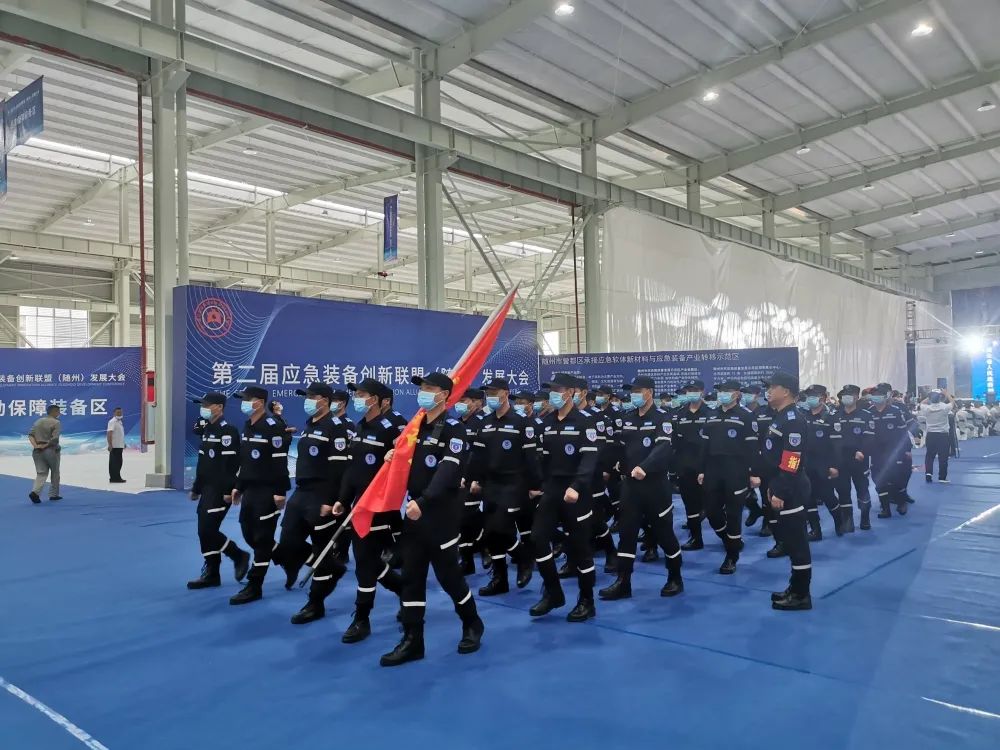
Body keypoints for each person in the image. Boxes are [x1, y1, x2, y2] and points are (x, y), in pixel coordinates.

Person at [380, 371, 484, 667]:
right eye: (422, 387)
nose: (423, 392)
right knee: (411, 577)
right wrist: (393, 457)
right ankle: (413, 639)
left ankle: (472, 623)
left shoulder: (454, 429)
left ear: (444, 395)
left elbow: (447, 472)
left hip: (440, 514)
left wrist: (424, 502)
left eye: (429, 387)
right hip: (414, 513)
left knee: (449, 577)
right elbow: (407, 465)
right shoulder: (415, 428)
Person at [599, 376, 683, 600]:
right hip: (631, 487)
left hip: (655, 486)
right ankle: (623, 581)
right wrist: (611, 465)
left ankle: (675, 576)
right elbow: (619, 447)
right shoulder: (627, 418)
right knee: (626, 534)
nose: (634, 394)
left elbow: (663, 447)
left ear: (650, 392)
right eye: (632, 390)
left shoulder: (663, 418)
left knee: (664, 533)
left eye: (638, 390)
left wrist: (644, 467)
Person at [530, 373, 601, 621]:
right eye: (551, 390)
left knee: (580, 548)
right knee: (538, 538)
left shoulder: (585, 422)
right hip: (552, 489)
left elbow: (589, 457)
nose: (553, 394)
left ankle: (586, 600)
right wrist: (538, 484)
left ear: (571, 392)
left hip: (576, 492)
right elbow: (541, 458)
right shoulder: (547, 422)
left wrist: (577, 485)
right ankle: (553, 593)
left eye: (558, 390)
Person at [272, 383, 352, 594]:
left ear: (324, 401)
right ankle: (332, 568)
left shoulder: (335, 426)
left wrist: (331, 500)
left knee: (321, 544)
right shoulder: (310, 424)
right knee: (288, 541)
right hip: (301, 490)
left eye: (311, 397)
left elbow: (339, 468)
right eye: (305, 396)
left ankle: (318, 597)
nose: (306, 401)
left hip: (322, 492)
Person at [471, 378, 541, 595]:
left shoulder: (521, 422)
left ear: (506, 393)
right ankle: (500, 579)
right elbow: (477, 456)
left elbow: (531, 457)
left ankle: (523, 557)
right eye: (488, 393)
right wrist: (472, 478)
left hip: (514, 483)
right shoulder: (485, 422)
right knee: (492, 534)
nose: (491, 396)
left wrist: (535, 484)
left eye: (495, 392)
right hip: (490, 484)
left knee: (500, 527)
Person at [229, 385, 291, 605]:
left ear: (260, 402)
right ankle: (288, 560)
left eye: (247, 399)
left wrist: (280, 491)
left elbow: (280, 462)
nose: (244, 403)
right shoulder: (248, 426)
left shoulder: (272, 426)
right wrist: (239, 486)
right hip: (250, 490)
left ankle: (255, 585)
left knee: (262, 539)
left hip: (268, 490)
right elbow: (245, 462)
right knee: (248, 533)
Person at [758, 371, 813, 611]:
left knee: (797, 542)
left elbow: (792, 460)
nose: (768, 391)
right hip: (781, 483)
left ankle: (801, 594)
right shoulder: (780, 417)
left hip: (791, 487)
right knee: (791, 541)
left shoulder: (793, 420)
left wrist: (780, 490)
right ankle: (795, 586)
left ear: (787, 391)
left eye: (773, 387)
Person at [186, 392, 251, 589]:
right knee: (203, 531)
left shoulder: (228, 431)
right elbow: (203, 463)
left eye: (207, 405)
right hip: (207, 488)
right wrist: (196, 488)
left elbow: (231, 464)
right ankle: (212, 573)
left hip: (220, 489)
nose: (203, 408)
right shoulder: (207, 430)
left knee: (208, 530)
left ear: (219, 407)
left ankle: (238, 555)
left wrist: (228, 490)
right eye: (202, 405)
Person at [697, 380, 759, 574]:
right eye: (720, 391)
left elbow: (753, 448)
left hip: (736, 471)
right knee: (712, 513)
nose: (722, 394)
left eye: (726, 391)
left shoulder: (746, 416)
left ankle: (732, 556)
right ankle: (729, 539)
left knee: (733, 515)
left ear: (737, 394)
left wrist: (754, 473)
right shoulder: (711, 415)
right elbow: (704, 446)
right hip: (713, 470)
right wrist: (701, 470)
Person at [672, 380, 711, 550]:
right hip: (685, 467)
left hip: (708, 466)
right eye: (688, 390)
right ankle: (696, 538)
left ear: (702, 391)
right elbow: (674, 443)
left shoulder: (711, 413)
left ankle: (730, 539)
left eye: (694, 390)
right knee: (690, 505)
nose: (691, 393)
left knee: (713, 505)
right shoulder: (679, 414)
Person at [801, 385, 843, 539]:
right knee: (807, 498)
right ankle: (815, 530)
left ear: (823, 397)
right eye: (808, 395)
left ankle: (839, 521)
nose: (810, 398)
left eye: (814, 395)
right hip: (805, 463)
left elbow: (837, 445)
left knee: (827, 496)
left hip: (824, 464)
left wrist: (835, 466)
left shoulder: (831, 416)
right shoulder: (802, 415)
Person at [832, 385, 874, 531]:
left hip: (859, 459)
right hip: (840, 460)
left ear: (856, 397)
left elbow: (870, 438)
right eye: (844, 394)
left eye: (849, 394)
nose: (846, 397)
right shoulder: (835, 415)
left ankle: (865, 517)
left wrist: (862, 451)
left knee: (862, 489)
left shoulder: (865, 415)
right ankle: (848, 519)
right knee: (843, 490)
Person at [456, 388, 488, 575]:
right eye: (459, 399)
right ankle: (468, 559)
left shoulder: (482, 423)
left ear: (476, 403)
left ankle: (484, 546)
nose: (460, 403)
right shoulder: (456, 423)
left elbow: (482, 455)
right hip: (457, 478)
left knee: (467, 516)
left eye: (465, 400)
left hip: (474, 479)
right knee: (462, 519)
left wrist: (477, 478)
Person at [867, 383, 911, 519]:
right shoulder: (869, 413)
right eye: (874, 395)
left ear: (885, 397)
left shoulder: (895, 411)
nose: (876, 397)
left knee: (897, 479)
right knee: (879, 480)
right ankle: (885, 508)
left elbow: (903, 432)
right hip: (876, 453)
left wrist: (907, 449)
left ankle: (901, 502)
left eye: (878, 395)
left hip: (894, 451)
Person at [28, 404, 63, 504]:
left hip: (37, 450)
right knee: (55, 472)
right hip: (51, 450)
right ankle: (53, 494)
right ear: (54, 412)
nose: (59, 413)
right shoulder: (56, 422)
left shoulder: (38, 421)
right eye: (58, 411)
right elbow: (55, 439)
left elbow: (30, 435)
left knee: (41, 473)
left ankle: (35, 492)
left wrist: (36, 446)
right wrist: (45, 445)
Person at [919, 388, 953, 483]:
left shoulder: (927, 408)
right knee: (943, 457)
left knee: (929, 456)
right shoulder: (944, 407)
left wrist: (929, 396)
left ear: (930, 398)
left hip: (931, 435)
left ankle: (928, 474)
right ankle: (942, 477)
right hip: (943, 435)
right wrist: (946, 393)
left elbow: (921, 403)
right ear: (940, 397)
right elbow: (952, 402)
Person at [107, 407, 126, 483]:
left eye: (120, 412)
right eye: (118, 412)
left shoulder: (119, 422)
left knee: (119, 462)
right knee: (114, 463)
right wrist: (110, 445)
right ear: (114, 413)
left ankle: (117, 477)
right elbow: (109, 434)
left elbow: (120, 434)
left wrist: (123, 443)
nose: (119, 414)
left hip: (119, 445)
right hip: (114, 446)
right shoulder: (112, 422)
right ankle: (114, 478)